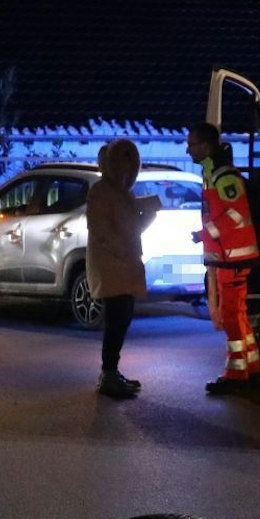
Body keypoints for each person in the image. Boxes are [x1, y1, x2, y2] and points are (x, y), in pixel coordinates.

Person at [188, 121, 260, 394]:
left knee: (231, 317)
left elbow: (234, 214)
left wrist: (204, 234)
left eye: (192, 144)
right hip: (228, 256)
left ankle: (236, 376)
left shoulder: (223, 176)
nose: (187, 150)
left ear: (206, 147)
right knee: (238, 315)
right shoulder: (214, 174)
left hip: (232, 257)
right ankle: (251, 370)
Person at [85, 138, 157, 399]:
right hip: (112, 265)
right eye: (122, 163)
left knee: (122, 318)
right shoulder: (102, 191)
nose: (127, 170)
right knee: (116, 320)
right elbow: (101, 229)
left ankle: (112, 372)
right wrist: (120, 248)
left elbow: (132, 228)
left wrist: (148, 214)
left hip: (124, 264)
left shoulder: (124, 193)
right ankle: (109, 374)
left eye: (131, 164)